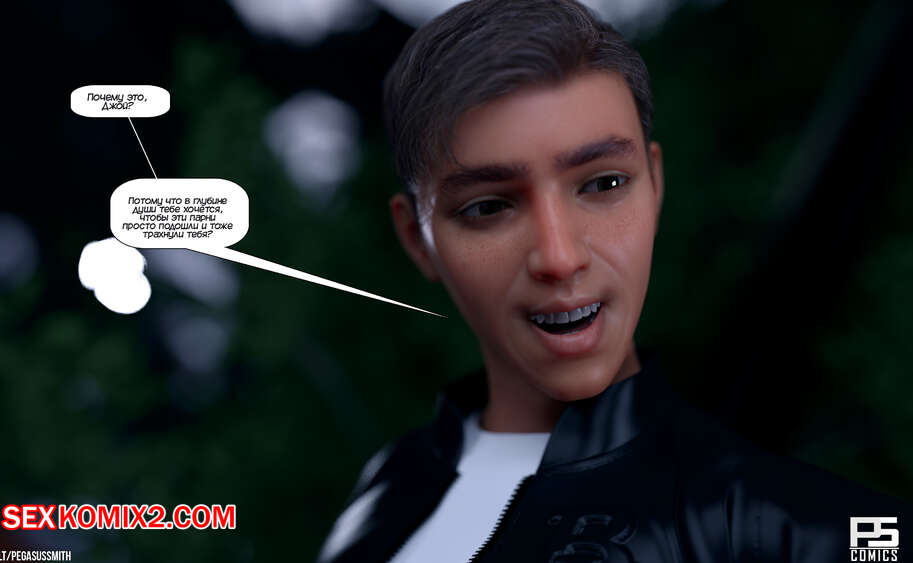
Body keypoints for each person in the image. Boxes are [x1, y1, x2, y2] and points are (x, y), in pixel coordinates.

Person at [316, 0, 910, 561]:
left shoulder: (765, 519)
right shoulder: (392, 480)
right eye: (489, 207)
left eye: (604, 184)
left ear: (655, 184)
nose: (559, 256)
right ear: (418, 239)